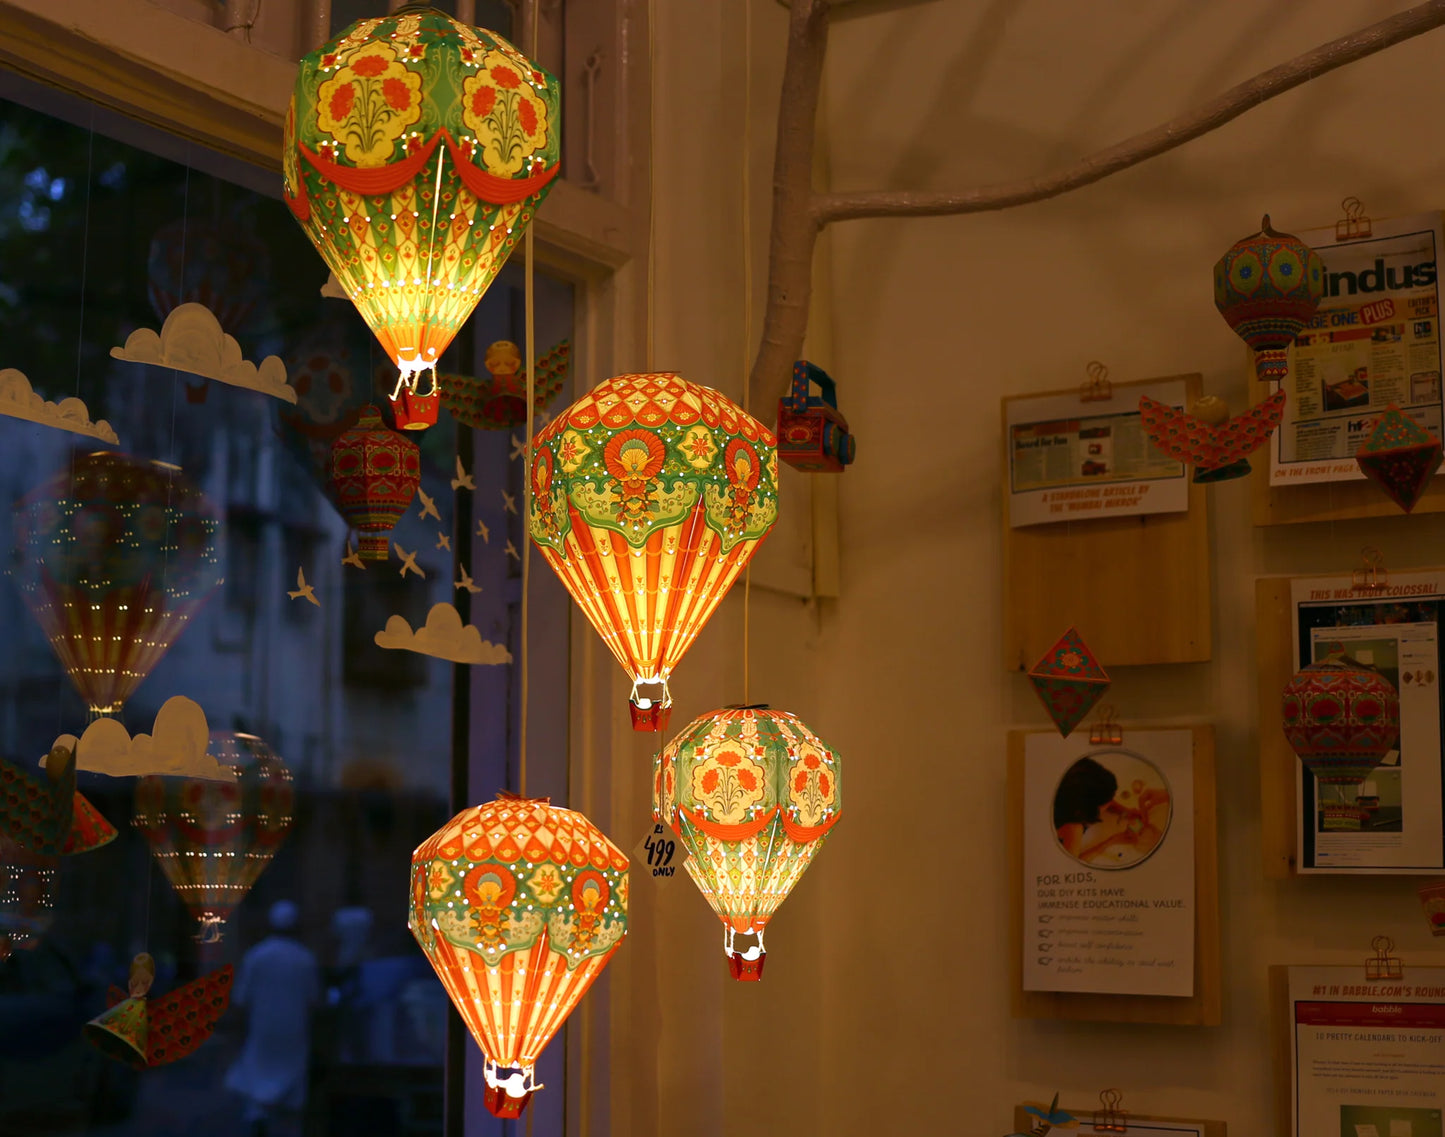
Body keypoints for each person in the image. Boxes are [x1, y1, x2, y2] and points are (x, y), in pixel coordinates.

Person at [226, 900, 320, 1137]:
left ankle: (257, 1116)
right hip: (294, 1030)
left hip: (262, 1028)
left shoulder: (256, 955)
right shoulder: (305, 958)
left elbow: (241, 999)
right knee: (292, 1077)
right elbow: (314, 999)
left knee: (258, 1072)